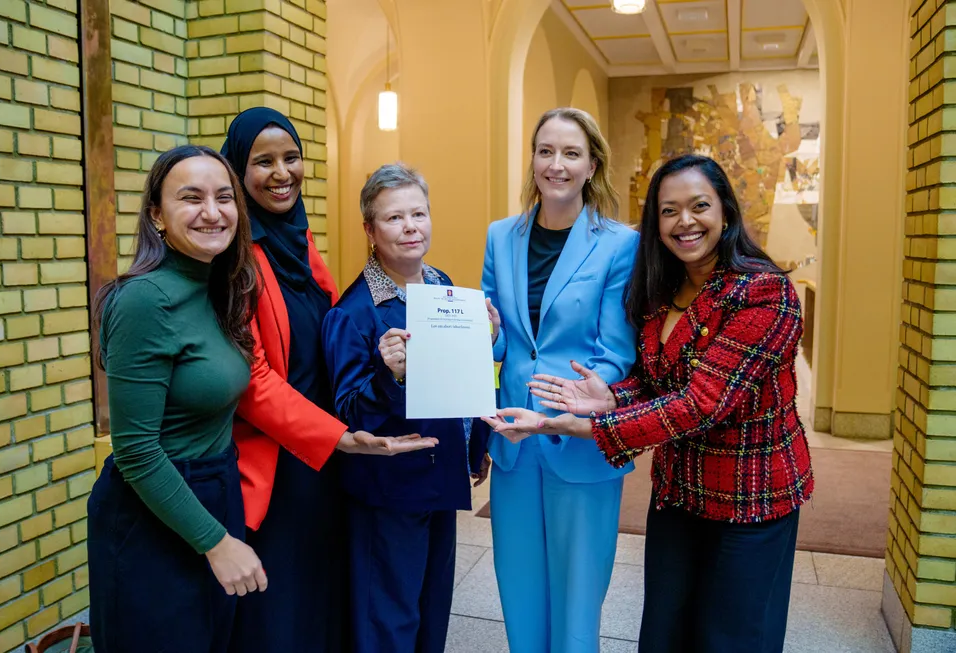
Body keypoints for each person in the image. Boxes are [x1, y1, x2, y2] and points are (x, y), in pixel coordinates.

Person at [490, 154, 815, 653]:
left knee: (731, 637)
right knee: (664, 634)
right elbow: (652, 381)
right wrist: (606, 397)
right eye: (668, 211)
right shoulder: (663, 292)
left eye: (699, 206)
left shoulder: (765, 293)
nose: (685, 222)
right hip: (679, 493)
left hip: (750, 499)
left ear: (725, 211)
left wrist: (600, 428)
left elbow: (703, 402)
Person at [220, 108, 437, 652]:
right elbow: (254, 382)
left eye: (290, 158)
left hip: (327, 453)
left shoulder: (301, 243)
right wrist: (335, 436)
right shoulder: (235, 262)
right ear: (236, 172)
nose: (281, 172)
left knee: (330, 601)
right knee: (284, 608)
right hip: (283, 458)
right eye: (262, 161)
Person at [87, 145, 266, 653]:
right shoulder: (143, 299)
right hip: (154, 514)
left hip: (215, 490)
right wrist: (215, 541)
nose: (212, 212)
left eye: (224, 197)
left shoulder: (218, 287)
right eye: (191, 198)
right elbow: (137, 452)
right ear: (156, 216)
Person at [481, 107, 639, 652]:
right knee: (519, 590)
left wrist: (561, 412)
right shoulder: (500, 237)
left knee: (576, 600)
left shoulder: (620, 243)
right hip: (514, 442)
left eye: (571, 153)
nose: (556, 164)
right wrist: (489, 334)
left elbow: (616, 352)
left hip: (577, 440)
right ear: (532, 160)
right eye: (545, 151)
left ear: (592, 164)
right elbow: (500, 346)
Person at [322, 163, 492, 653]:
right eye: (394, 218)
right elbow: (348, 415)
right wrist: (390, 375)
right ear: (369, 230)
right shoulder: (352, 314)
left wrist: (488, 341)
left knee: (431, 610)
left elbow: (459, 383)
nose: (411, 226)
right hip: (389, 489)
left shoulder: (444, 287)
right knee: (388, 620)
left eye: (419, 213)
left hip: (438, 477)